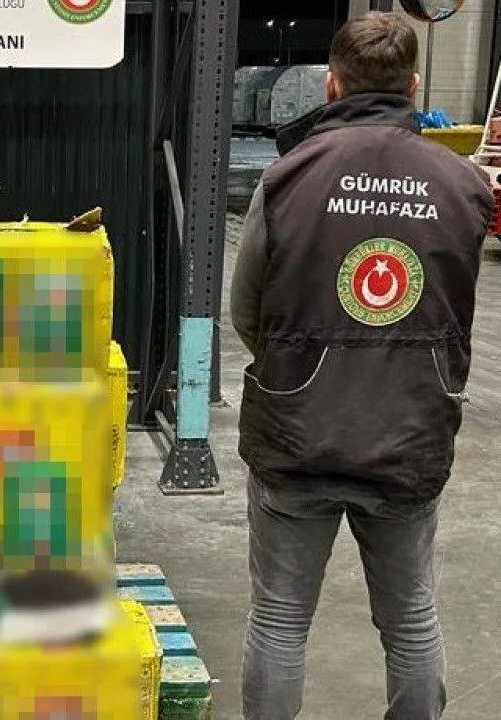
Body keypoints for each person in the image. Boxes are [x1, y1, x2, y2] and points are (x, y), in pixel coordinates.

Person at [231, 12, 494, 720]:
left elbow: (247, 312)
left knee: (280, 618)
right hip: (409, 433)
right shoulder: (464, 186)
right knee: (410, 619)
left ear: (330, 85)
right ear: (414, 86)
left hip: (297, 432)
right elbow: (456, 308)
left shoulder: (288, 178)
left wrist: (297, 372)